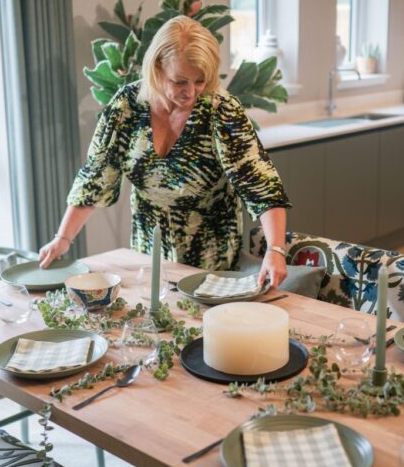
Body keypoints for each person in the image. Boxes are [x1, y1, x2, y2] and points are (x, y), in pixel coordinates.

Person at [38, 16, 291, 287]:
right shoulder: (126, 107)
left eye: (200, 81)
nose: (191, 92)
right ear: (157, 68)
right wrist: (62, 239)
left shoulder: (221, 112)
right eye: (180, 81)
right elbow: (94, 179)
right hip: (147, 256)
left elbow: (263, 188)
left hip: (210, 259)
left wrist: (275, 251)